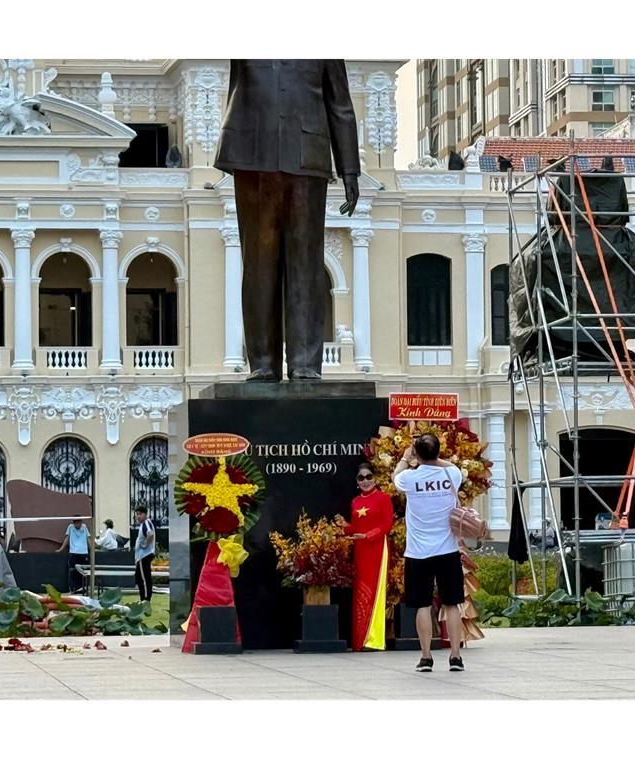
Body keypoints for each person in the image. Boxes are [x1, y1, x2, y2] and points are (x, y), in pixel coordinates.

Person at [213, 59, 360, 382]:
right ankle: (263, 363)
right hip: (252, 156)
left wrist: (349, 169)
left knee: (306, 264)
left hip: (307, 157)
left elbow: (340, 104)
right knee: (258, 264)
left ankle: (304, 362)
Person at [393, 433, 466, 673]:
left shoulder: (409, 478)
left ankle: (426, 657)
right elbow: (450, 465)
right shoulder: (452, 475)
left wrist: (407, 458)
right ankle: (455, 656)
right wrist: (432, 457)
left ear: (417, 453)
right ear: (438, 452)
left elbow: (395, 476)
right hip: (448, 550)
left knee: (422, 605)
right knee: (452, 604)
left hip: (418, 552)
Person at [335, 463, 394, 652]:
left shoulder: (383, 498)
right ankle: (361, 640)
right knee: (361, 592)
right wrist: (344, 526)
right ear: (357, 481)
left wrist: (368, 535)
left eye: (369, 476)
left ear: (375, 478)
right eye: (361, 478)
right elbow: (355, 528)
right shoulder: (355, 502)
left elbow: (387, 524)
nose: (365, 481)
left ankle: (374, 640)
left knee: (376, 591)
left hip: (377, 549)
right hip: (361, 551)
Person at [56, 517, 92, 594]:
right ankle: (73, 588)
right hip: (74, 552)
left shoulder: (84, 527)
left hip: (83, 552)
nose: (77, 525)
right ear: (74, 523)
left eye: (79, 523)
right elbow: (67, 538)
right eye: (76, 523)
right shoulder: (70, 527)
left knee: (84, 571)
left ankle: (83, 588)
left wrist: (92, 549)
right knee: (72, 571)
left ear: (81, 522)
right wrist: (61, 549)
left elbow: (88, 538)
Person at [133, 506, 156, 602]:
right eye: (137, 514)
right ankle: (143, 598)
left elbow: (150, 534)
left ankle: (146, 599)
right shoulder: (144, 524)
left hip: (144, 555)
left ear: (145, 514)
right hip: (141, 556)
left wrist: (145, 544)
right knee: (139, 577)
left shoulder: (146, 523)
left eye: (140, 514)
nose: (138, 516)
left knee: (144, 578)